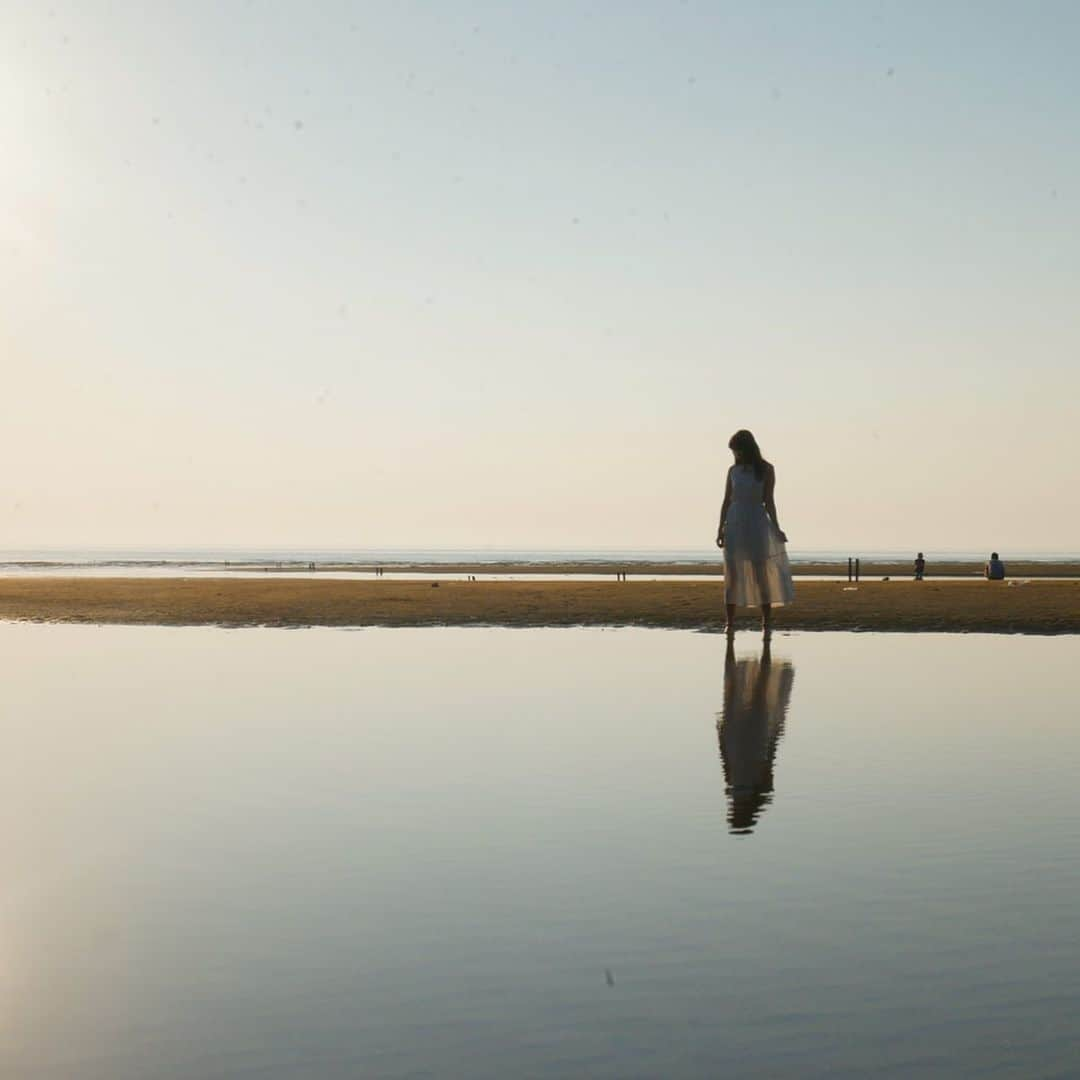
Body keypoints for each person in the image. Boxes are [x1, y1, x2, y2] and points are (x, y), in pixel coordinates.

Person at [715, 429, 794, 635]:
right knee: (732, 575)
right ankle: (730, 623)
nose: (735, 455)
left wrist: (776, 527)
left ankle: (766, 622)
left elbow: (769, 501)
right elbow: (726, 500)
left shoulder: (767, 470)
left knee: (761, 573)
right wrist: (720, 528)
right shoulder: (733, 471)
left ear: (746, 449)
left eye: (737, 451)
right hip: (735, 521)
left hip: (757, 521)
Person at [716, 635, 795, 835]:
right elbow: (763, 762)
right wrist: (722, 739)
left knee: (750, 697)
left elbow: (727, 764)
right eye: (733, 814)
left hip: (742, 742)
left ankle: (764, 658)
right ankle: (764, 658)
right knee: (755, 697)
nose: (731, 810)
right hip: (745, 741)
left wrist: (721, 739)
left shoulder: (748, 791)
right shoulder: (750, 790)